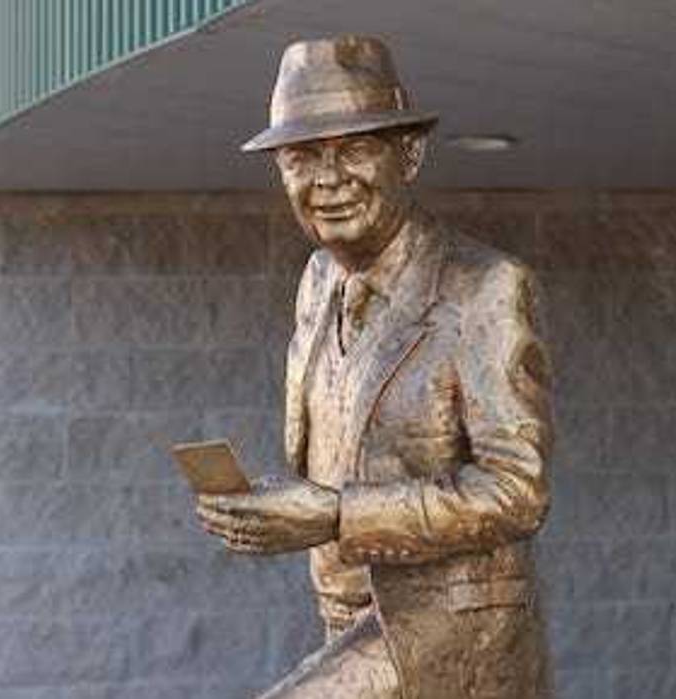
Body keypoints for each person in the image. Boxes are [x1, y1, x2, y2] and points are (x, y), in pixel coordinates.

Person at [194, 35, 554, 699]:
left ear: (408, 155)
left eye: (354, 149)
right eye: (301, 157)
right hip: (345, 621)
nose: (326, 180)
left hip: (449, 631)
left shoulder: (485, 287)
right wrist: (271, 507)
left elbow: (517, 489)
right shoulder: (316, 279)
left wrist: (333, 514)